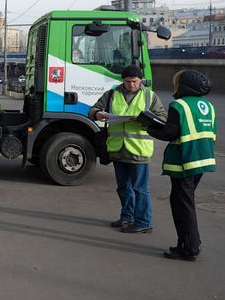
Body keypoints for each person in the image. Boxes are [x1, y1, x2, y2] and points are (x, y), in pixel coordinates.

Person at [147, 70, 216, 261]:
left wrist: (148, 127)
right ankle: (186, 244)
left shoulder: (178, 105)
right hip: (202, 161)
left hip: (184, 162)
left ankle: (190, 247)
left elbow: (169, 133)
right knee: (183, 202)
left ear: (184, 85)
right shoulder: (208, 106)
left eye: (176, 82)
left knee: (183, 206)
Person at [89, 64, 166, 233]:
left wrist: (143, 120)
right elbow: (93, 109)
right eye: (128, 81)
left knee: (140, 189)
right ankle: (126, 217)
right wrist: (97, 114)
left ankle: (144, 222)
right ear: (122, 80)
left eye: (135, 81)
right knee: (123, 188)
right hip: (118, 149)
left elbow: (161, 119)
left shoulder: (149, 96)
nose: (132, 85)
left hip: (138, 150)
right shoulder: (111, 94)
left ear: (140, 80)